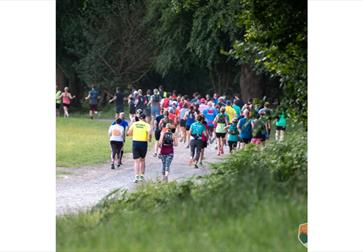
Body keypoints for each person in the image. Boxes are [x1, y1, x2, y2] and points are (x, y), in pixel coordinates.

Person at [127, 113, 152, 183]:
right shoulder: (147, 125)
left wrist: (131, 133)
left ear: (139, 118)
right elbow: (150, 133)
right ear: (144, 118)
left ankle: (136, 177)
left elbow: (128, 133)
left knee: (136, 161)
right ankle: (142, 176)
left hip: (135, 142)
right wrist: (149, 139)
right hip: (143, 143)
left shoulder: (134, 124)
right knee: (142, 160)